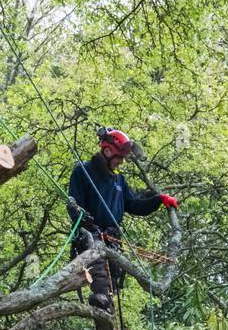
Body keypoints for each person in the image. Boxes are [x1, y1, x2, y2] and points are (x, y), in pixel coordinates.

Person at [68, 127, 178, 313]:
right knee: (100, 274)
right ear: (108, 151)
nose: (121, 162)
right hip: (89, 234)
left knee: (113, 287)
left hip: (111, 238)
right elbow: (73, 204)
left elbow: (135, 205)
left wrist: (159, 200)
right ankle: (104, 309)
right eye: (119, 157)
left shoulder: (119, 182)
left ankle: (111, 329)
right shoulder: (83, 171)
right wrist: (83, 220)